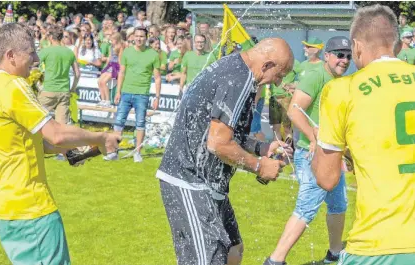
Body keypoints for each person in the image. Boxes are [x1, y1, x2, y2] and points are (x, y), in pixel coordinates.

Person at [0, 23, 120, 265]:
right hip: (31, 209)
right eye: (31, 52)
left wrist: (76, 150)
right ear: (10, 56)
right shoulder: (14, 86)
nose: (36, 59)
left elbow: (36, 143)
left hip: (6, 207)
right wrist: (101, 137)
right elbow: (55, 134)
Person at [157, 38, 293, 265]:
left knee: (233, 250)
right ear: (267, 65)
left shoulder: (238, 70)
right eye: (279, 75)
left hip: (208, 183)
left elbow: (226, 134)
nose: (278, 83)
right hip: (189, 182)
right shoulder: (238, 78)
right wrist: (259, 166)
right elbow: (218, 144)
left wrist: (263, 147)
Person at [312, 5, 415, 264]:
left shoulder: (342, 90)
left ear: (356, 45)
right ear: (398, 45)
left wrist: (319, 141)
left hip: (379, 243)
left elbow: (326, 178)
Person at [264, 36, 351, 265]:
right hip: (314, 155)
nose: (345, 60)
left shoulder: (340, 80)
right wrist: (313, 137)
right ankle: (275, 260)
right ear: (327, 56)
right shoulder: (316, 76)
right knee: (306, 209)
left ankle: (334, 255)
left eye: (348, 55)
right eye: (340, 55)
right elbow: (294, 111)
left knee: (338, 205)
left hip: (331, 154)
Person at [104, 27, 161, 163]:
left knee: (140, 123)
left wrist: (157, 97)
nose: (139, 39)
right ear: (133, 37)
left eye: (142, 36)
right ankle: (113, 152)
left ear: (146, 38)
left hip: (142, 94)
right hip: (126, 93)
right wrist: (117, 91)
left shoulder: (153, 54)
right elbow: (121, 73)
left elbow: (157, 78)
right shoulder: (127, 52)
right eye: (137, 36)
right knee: (119, 122)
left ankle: (137, 152)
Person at [38, 25, 80, 125]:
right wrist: (72, 89)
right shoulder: (69, 52)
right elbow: (77, 74)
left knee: (38, 122)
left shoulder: (45, 51)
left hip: (48, 90)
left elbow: (32, 67)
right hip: (64, 91)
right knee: (61, 126)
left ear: (51, 37)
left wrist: (38, 85)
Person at [97, 32, 124, 107]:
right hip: (110, 65)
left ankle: (108, 100)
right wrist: (105, 68)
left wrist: (120, 70)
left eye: (112, 40)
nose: (111, 41)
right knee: (99, 81)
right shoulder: (111, 47)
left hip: (116, 66)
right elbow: (109, 58)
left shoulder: (120, 47)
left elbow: (120, 59)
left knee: (104, 82)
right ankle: (103, 100)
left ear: (117, 40)